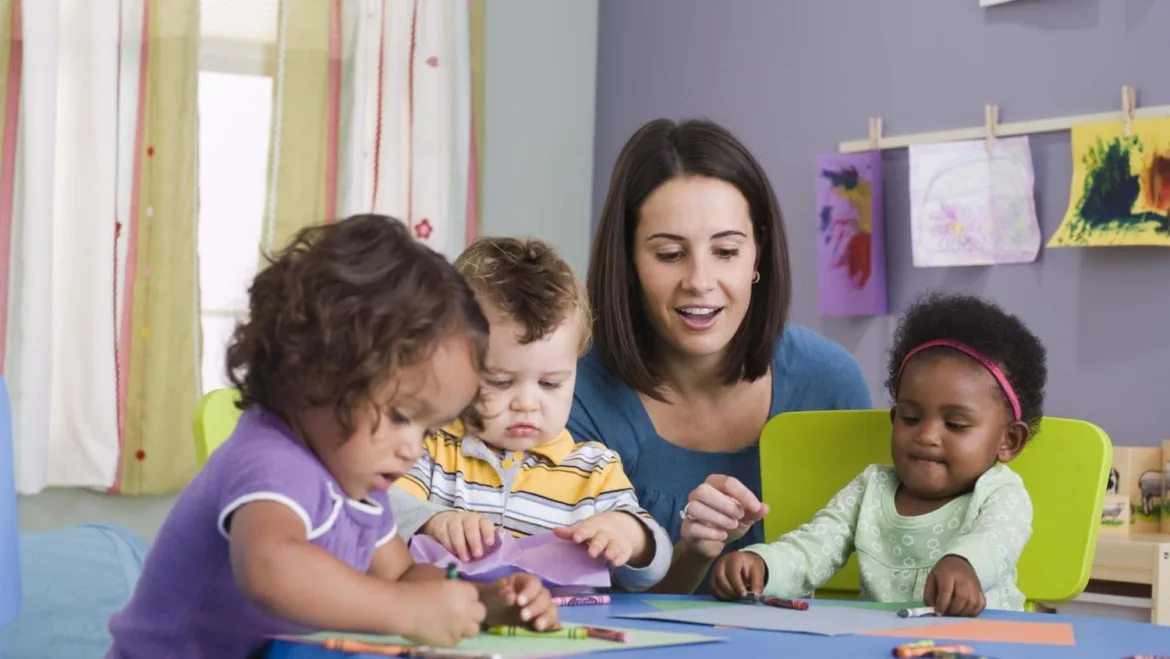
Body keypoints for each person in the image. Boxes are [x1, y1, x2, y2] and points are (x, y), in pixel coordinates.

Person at [106, 216, 558, 659]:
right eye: (401, 416)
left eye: (428, 429)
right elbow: (270, 567)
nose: (411, 448)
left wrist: (486, 603)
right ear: (319, 369)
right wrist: (404, 612)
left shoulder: (357, 479)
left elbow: (400, 579)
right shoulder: (270, 458)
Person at [569, 118, 872, 594]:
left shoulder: (830, 382)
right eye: (670, 255)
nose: (700, 281)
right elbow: (584, 604)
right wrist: (694, 551)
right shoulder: (570, 393)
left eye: (726, 251)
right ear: (628, 262)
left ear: (758, 255)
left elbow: (869, 576)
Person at [709, 293, 1047, 616]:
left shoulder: (1001, 493)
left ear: (1009, 440)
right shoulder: (871, 488)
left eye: (955, 424)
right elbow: (814, 547)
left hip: (982, 644)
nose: (927, 436)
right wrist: (763, 566)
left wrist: (965, 564)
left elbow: (994, 540)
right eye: (911, 418)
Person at [392, 237, 671, 593]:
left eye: (551, 383)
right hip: (453, 629)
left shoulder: (594, 471)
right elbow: (377, 510)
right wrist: (433, 520)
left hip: (559, 638)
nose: (527, 403)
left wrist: (628, 535)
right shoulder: (433, 446)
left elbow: (656, 561)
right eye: (500, 381)